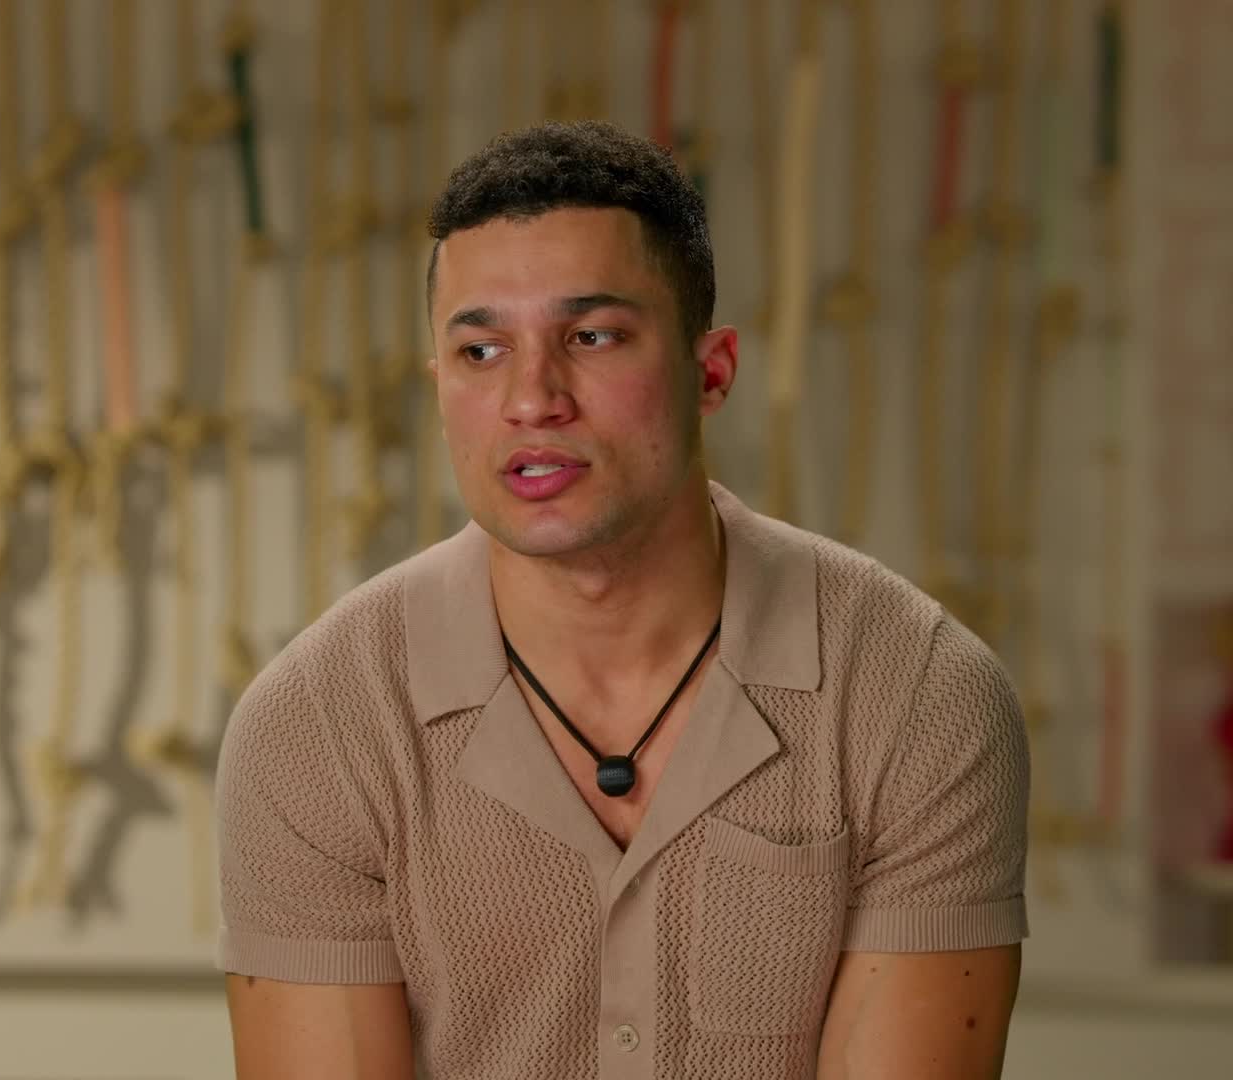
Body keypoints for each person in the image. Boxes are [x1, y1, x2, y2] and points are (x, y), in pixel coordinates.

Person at [214, 121, 1029, 1079]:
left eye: (592, 337)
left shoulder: (918, 693)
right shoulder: (318, 723)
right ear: (440, 389)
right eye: (481, 351)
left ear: (710, 371)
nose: (533, 398)